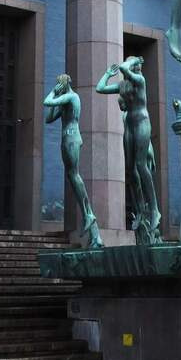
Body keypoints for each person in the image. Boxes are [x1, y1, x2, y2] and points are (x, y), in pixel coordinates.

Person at [96, 56, 161, 243]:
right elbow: (100, 88)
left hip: (142, 122)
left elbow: (124, 68)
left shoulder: (140, 80)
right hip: (130, 126)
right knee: (130, 170)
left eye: (137, 65)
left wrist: (132, 61)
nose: (138, 67)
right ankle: (140, 209)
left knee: (141, 165)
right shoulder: (123, 85)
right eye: (136, 65)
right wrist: (108, 74)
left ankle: (154, 210)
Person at [43, 75, 102, 248]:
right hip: (67, 139)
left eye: (59, 83)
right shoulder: (65, 102)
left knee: (74, 175)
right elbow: (48, 118)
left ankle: (89, 214)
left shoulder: (72, 97)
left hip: (72, 138)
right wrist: (57, 100)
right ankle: (93, 229)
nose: (58, 86)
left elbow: (46, 102)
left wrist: (53, 92)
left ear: (65, 83)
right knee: (71, 176)